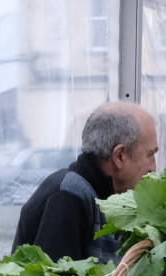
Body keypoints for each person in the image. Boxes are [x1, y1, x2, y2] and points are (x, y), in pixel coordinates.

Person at [11, 101, 158, 264]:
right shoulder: (68, 196)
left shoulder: (107, 197)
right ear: (120, 156)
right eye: (150, 154)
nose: (154, 168)